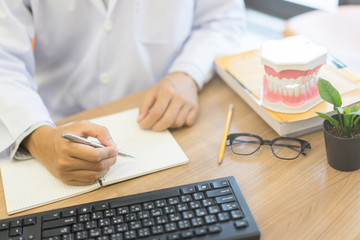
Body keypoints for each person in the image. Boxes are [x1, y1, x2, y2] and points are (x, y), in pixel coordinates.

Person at [0, 0, 246, 185]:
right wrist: (38, 137)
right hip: (52, 121)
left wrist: (188, 72)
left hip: (163, 119)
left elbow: (222, 19)